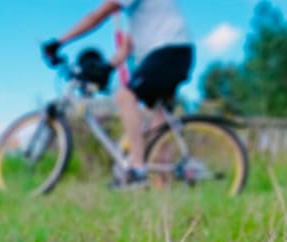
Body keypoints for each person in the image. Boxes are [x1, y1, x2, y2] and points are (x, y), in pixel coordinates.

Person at [43, 0, 194, 188]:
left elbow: (96, 16)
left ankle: (137, 169)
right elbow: (126, 48)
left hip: (167, 51)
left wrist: (59, 42)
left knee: (125, 96)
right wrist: (106, 68)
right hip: (178, 52)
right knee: (159, 120)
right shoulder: (144, 15)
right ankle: (162, 186)